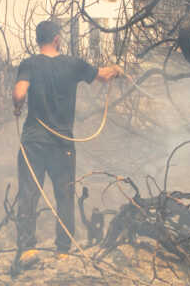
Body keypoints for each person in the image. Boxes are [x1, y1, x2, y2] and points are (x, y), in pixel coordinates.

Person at [12, 19, 123, 264]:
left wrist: (18, 106)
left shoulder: (29, 64)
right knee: (64, 194)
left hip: (33, 140)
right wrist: (115, 69)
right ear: (56, 39)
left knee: (29, 193)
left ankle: (28, 248)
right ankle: (63, 249)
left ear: (38, 39)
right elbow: (103, 76)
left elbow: (19, 93)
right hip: (62, 144)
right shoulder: (73, 64)